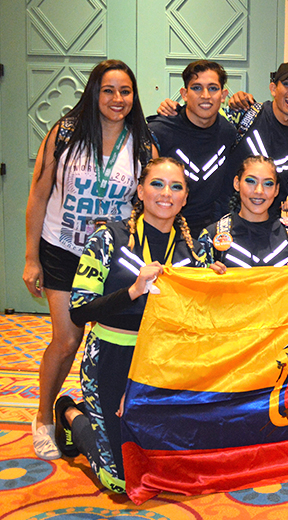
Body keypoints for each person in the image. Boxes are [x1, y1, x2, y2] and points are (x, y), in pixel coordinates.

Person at [23, 59, 156, 460]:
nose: (118, 99)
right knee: (66, 340)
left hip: (108, 257)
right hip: (62, 249)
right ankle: (44, 418)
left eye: (125, 92)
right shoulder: (65, 133)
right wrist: (32, 257)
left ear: (134, 97)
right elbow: (38, 195)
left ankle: (104, 415)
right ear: (94, 93)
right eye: (108, 91)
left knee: (115, 338)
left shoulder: (144, 143)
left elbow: (148, 201)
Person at [53, 157, 205, 493]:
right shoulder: (108, 239)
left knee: (169, 466)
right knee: (121, 481)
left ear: (185, 198)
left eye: (176, 187)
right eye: (157, 184)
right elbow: (79, 312)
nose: (166, 193)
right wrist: (133, 291)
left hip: (162, 361)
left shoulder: (191, 252)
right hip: (111, 357)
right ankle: (69, 412)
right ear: (140, 190)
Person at [159, 60, 288, 217]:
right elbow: (203, 116)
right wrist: (174, 110)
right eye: (287, 84)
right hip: (221, 220)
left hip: (267, 226)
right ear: (273, 88)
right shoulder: (244, 114)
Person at [147, 60, 237, 236]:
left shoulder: (229, 133)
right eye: (196, 88)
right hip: (165, 227)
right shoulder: (159, 131)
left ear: (223, 94)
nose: (205, 95)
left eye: (213, 88)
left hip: (210, 231)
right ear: (184, 94)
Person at [199, 156, 288, 270]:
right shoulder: (213, 235)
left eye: (268, 184)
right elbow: (197, 280)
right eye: (251, 181)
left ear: (276, 190)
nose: (259, 191)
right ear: (237, 183)